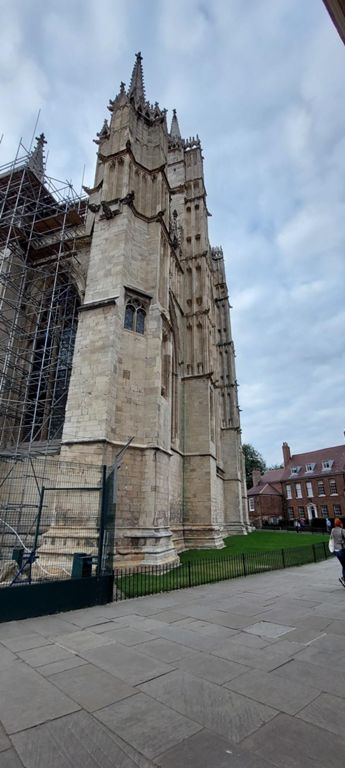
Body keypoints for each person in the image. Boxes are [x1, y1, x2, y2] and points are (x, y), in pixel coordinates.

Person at [330, 518, 345, 587]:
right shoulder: (342, 530)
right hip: (341, 550)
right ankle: (343, 578)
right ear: (340, 523)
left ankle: (343, 578)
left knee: (344, 565)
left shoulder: (332, 530)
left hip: (336, 551)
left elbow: (332, 539)